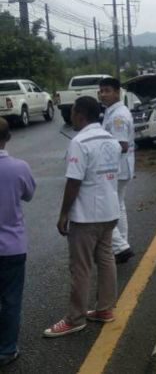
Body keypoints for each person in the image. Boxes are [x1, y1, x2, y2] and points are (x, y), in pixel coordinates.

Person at [44, 97, 121, 338]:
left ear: (81, 115)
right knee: (106, 260)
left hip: (87, 216)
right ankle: (105, 309)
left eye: (73, 112)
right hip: (110, 211)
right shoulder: (111, 140)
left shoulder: (79, 142)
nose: (71, 117)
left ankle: (75, 318)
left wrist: (64, 213)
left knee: (81, 267)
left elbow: (74, 181)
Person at [0, 117, 36, 366]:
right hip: (12, 246)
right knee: (11, 300)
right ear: (8, 137)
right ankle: (7, 349)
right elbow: (29, 194)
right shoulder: (19, 167)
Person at [98, 77, 135, 264]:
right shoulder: (112, 112)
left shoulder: (118, 116)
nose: (103, 94)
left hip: (117, 169)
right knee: (119, 206)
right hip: (121, 168)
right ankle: (121, 245)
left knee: (105, 209)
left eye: (107, 90)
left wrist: (98, 150)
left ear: (117, 92)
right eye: (101, 91)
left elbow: (122, 145)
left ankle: (121, 246)